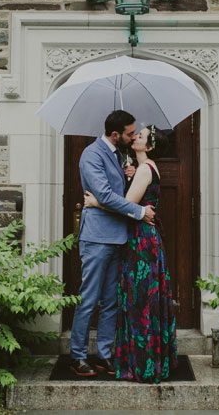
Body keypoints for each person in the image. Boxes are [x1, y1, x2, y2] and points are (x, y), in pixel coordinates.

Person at [84, 124, 178, 383]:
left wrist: (96, 202)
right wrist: (129, 176)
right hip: (145, 240)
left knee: (140, 303)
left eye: (141, 135)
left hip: (141, 243)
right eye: (136, 133)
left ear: (148, 146)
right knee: (142, 301)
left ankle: (142, 365)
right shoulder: (143, 169)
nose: (135, 136)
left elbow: (127, 205)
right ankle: (146, 361)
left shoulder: (145, 169)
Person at [70, 110, 156, 378]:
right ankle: (78, 356)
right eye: (130, 133)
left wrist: (128, 173)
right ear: (115, 134)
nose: (133, 137)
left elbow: (118, 191)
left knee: (110, 302)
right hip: (96, 238)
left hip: (118, 236)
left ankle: (105, 355)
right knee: (89, 299)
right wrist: (140, 212)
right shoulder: (91, 154)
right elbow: (105, 195)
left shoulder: (120, 155)